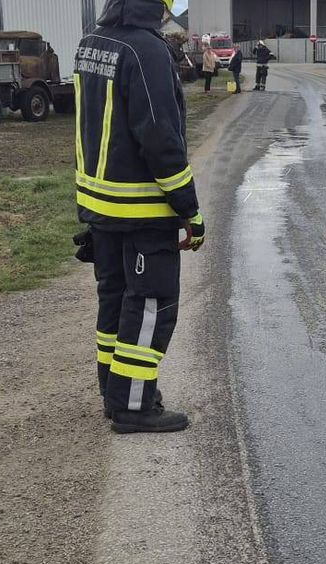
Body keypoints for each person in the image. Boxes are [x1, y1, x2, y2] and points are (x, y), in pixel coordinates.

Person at [73, 0, 206, 433]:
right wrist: (189, 209)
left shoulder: (92, 43)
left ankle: (116, 393)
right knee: (151, 303)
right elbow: (159, 137)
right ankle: (133, 406)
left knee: (114, 302)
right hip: (144, 208)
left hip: (101, 205)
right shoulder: (145, 51)